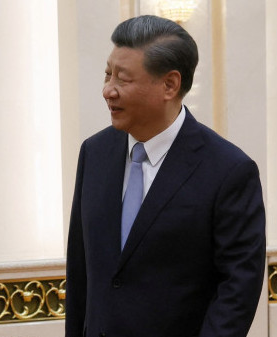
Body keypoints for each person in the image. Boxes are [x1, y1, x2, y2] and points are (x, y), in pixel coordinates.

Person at [65, 15, 265, 337]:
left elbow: (237, 290)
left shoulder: (229, 171)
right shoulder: (94, 153)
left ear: (169, 85)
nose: (107, 90)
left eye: (122, 79)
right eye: (107, 74)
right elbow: (80, 270)